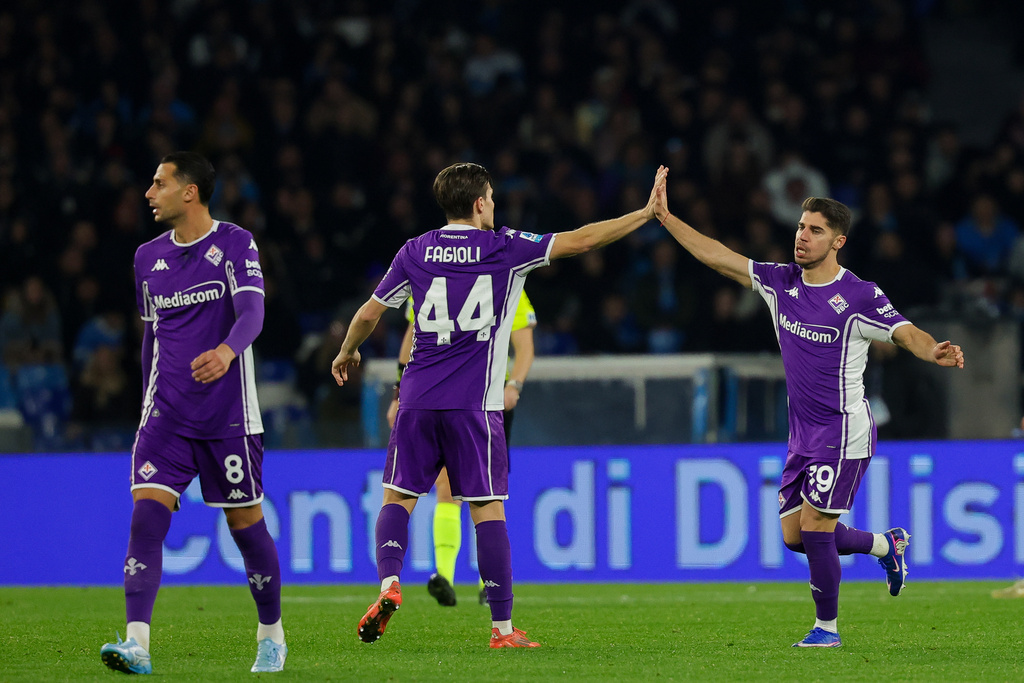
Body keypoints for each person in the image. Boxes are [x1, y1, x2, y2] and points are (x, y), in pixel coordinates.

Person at [332, 161, 667, 649]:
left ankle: (388, 586)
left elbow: (368, 313)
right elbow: (582, 240)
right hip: (474, 406)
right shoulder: (506, 248)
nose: (494, 203)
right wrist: (643, 213)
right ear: (479, 203)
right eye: (490, 196)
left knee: (398, 498)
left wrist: (347, 351)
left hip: (417, 400)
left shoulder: (414, 250)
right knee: (487, 511)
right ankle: (502, 630)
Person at [655, 190, 964, 648]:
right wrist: (665, 217)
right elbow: (718, 256)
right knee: (795, 537)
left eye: (815, 230)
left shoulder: (859, 295)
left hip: (844, 431)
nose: (802, 236)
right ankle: (886, 544)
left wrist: (933, 349)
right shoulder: (781, 283)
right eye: (801, 226)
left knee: (817, 528)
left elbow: (904, 332)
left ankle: (827, 630)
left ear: (837, 242)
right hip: (802, 434)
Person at [100, 152, 286, 674]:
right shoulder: (146, 257)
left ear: (190, 192)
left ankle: (271, 634)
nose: (148, 192)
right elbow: (150, 337)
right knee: (145, 520)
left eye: (158, 183)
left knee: (247, 526)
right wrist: (145, 404)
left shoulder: (234, 243)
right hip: (165, 417)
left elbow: (253, 312)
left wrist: (226, 352)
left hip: (228, 418)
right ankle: (137, 644)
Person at [385, 291, 537, 608]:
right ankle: (446, 577)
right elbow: (412, 336)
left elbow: (523, 345)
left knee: (485, 492)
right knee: (451, 485)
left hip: (486, 399)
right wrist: (398, 394)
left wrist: (515, 385)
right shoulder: (442, 272)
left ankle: (485, 582)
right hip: (442, 397)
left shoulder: (501, 275)